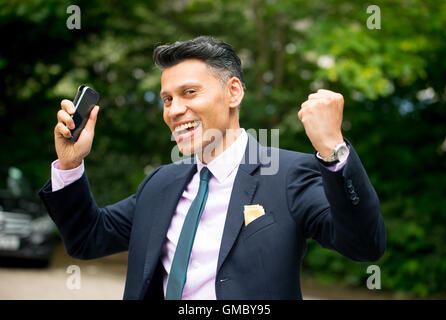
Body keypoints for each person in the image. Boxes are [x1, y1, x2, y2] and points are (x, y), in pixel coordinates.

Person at [38, 36, 386, 300]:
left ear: (233, 92)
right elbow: (87, 238)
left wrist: (333, 150)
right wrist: (70, 165)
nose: (174, 110)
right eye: (167, 99)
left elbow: (364, 246)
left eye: (189, 92)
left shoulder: (287, 174)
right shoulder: (160, 182)